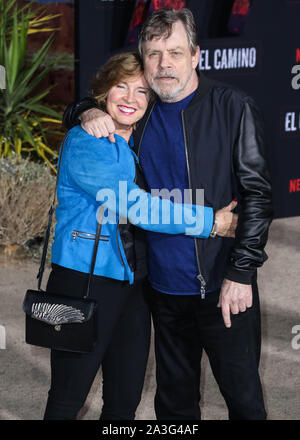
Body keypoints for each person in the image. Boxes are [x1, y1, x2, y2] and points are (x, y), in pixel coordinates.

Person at [63, 8, 273, 420]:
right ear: (143, 59)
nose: (164, 64)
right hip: (160, 289)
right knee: (174, 407)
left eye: (175, 52)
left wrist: (242, 273)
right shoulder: (139, 113)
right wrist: (84, 112)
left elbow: (258, 196)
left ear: (195, 55)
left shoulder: (233, 107)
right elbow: (93, 112)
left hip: (221, 284)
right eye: (154, 53)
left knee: (245, 401)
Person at [44, 50, 237, 420]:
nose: (131, 99)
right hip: (84, 282)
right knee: (68, 396)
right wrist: (211, 222)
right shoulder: (86, 141)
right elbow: (135, 207)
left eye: (142, 90)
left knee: (125, 398)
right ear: (104, 93)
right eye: (121, 87)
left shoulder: (139, 141)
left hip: (133, 286)